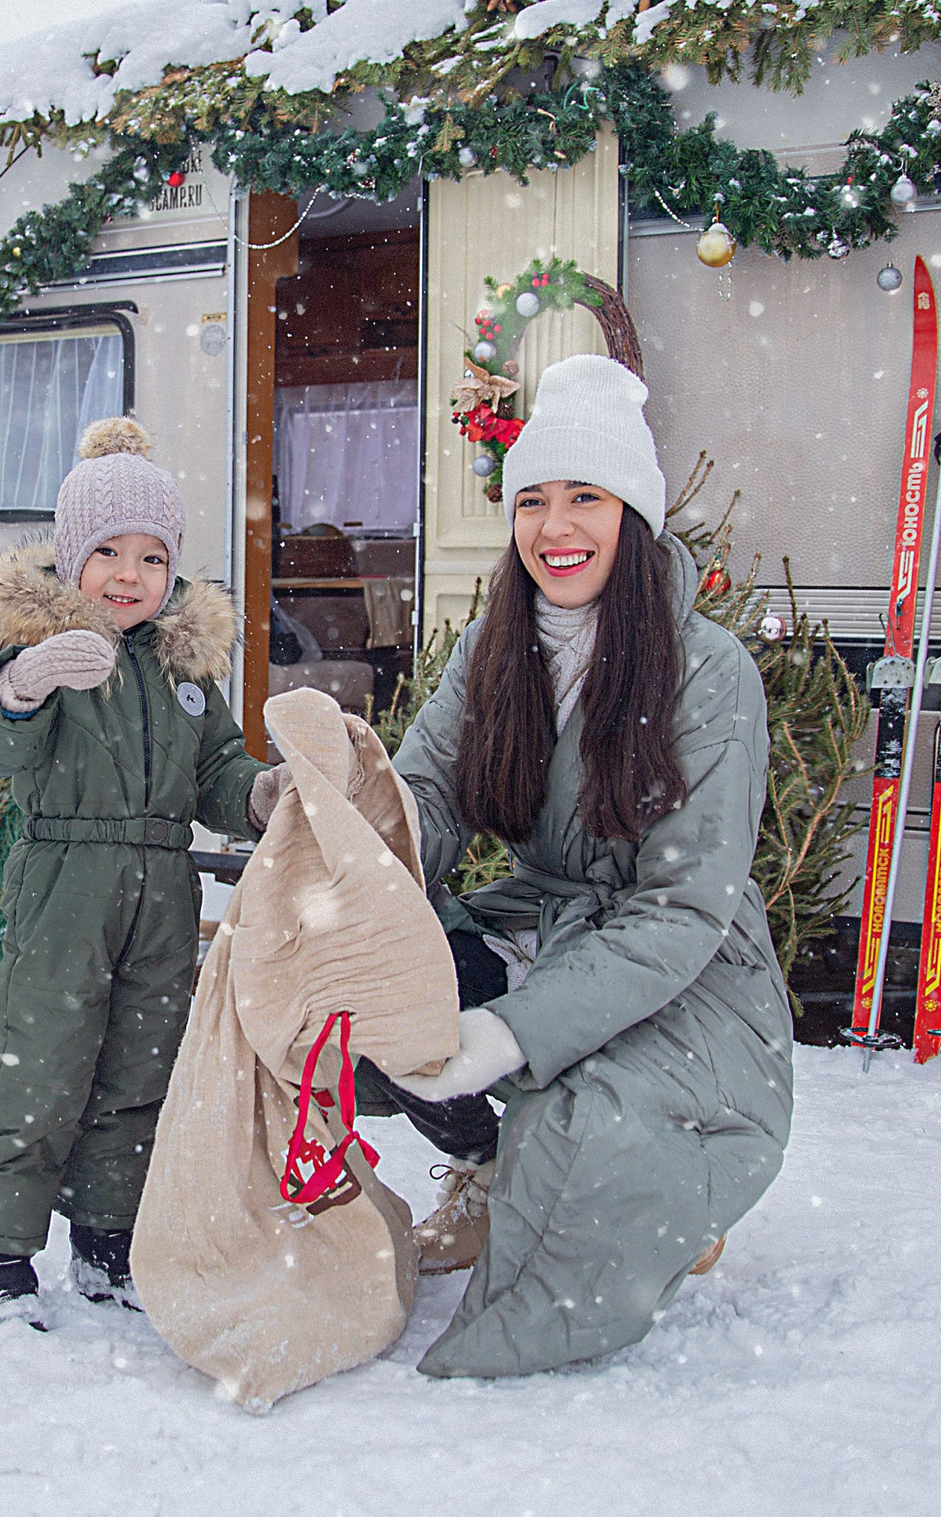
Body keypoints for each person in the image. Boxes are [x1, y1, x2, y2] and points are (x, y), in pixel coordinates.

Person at [376, 353, 796, 1378]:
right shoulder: (494, 647)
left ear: (633, 515)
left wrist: (514, 1028)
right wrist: (351, 871)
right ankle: (481, 1170)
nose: (554, 528)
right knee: (374, 997)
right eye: (532, 501)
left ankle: (676, 1201)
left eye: (584, 498)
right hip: (540, 916)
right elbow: (421, 796)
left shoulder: (706, 669)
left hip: (684, 964)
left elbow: (680, 908)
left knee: (589, 1132)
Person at [0, 416, 285, 1327]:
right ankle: (1, 1258)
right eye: (107, 554)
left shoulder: (182, 672)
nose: (129, 576)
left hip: (163, 895)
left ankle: (106, 1241)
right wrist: (25, 685)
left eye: (151, 558)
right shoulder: (50, 655)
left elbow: (216, 769)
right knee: (39, 1070)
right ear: (68, 560)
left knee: (143, 1071)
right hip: (64, 884)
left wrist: (258, 795)